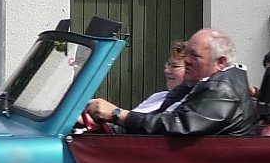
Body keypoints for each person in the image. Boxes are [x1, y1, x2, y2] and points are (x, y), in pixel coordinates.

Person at [86, 28, 258, 136]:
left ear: (220, 62)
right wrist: (104, 124)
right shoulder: (198, 84)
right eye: (187, 54)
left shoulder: (222, 89)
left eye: (195, 56)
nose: (187, 60)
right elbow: (160, 117)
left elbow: (177, 125)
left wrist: (117, 115)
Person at [132, 40, 186, 113]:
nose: (166, 71)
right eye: (168, 65)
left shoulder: (188, 106)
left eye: (175, 66)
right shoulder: (158, 97)